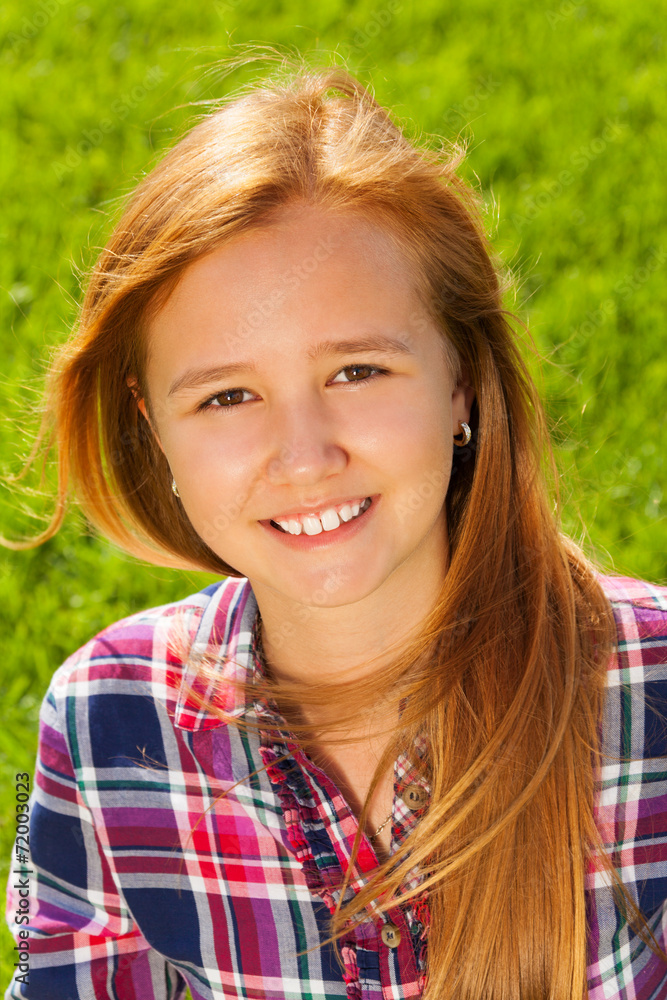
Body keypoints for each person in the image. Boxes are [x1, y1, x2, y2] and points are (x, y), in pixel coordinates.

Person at [4, 55, 667, 1000]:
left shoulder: (649, 688)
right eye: (228, 396)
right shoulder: (109, 721)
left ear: (461, 381)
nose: (303, 454)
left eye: (356, 372)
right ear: (154, 428)